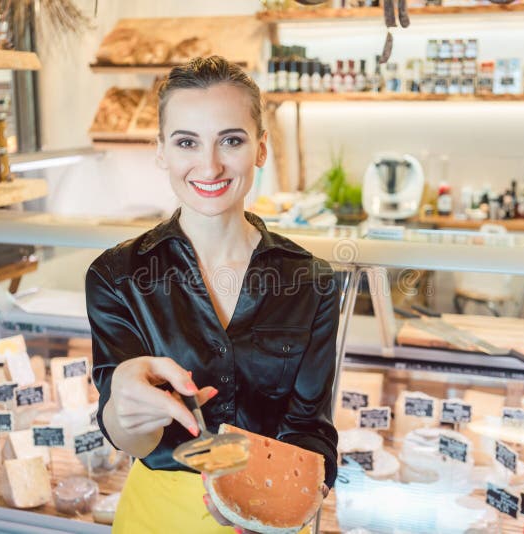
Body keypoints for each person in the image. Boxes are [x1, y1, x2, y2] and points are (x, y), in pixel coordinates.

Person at [85, 56, 340, 533]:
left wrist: (275, 505)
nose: (210, 165)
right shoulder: (114, 277)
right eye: (187, 142)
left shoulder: (313, 280)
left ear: (260, 149)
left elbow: (310, 431)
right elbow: (131, 441)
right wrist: (123, 406)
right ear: (161, 151)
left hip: (274, 510)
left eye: (231, 140)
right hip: (158, 516)